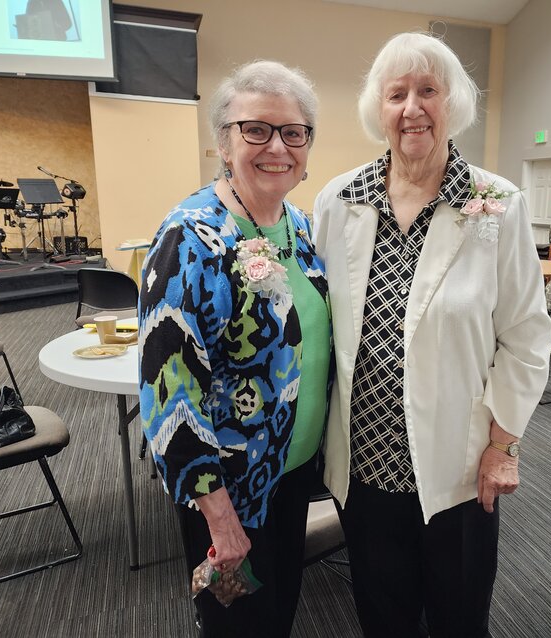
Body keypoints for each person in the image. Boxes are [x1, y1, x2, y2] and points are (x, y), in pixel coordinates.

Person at [312, 32, 551, 637]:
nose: (412, 108)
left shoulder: (497, 202)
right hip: (364, 466)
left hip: (459, 469)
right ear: (378, 108)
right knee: (382, 616)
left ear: (454, 103)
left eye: (428, 91)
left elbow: (525, 335)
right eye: (396, 94)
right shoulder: (339, 201)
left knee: (459, 617)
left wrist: (503, 445)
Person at [138, 60, 331, 638]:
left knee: (279, 615)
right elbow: (167, 392)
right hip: (228, 487)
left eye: (293, 132)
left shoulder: (299, 226)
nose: (277, 146)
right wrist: (218, 516)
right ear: (223, 142)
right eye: (257, 129)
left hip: (292, 470)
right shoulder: (190, 237)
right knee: (238, 625)